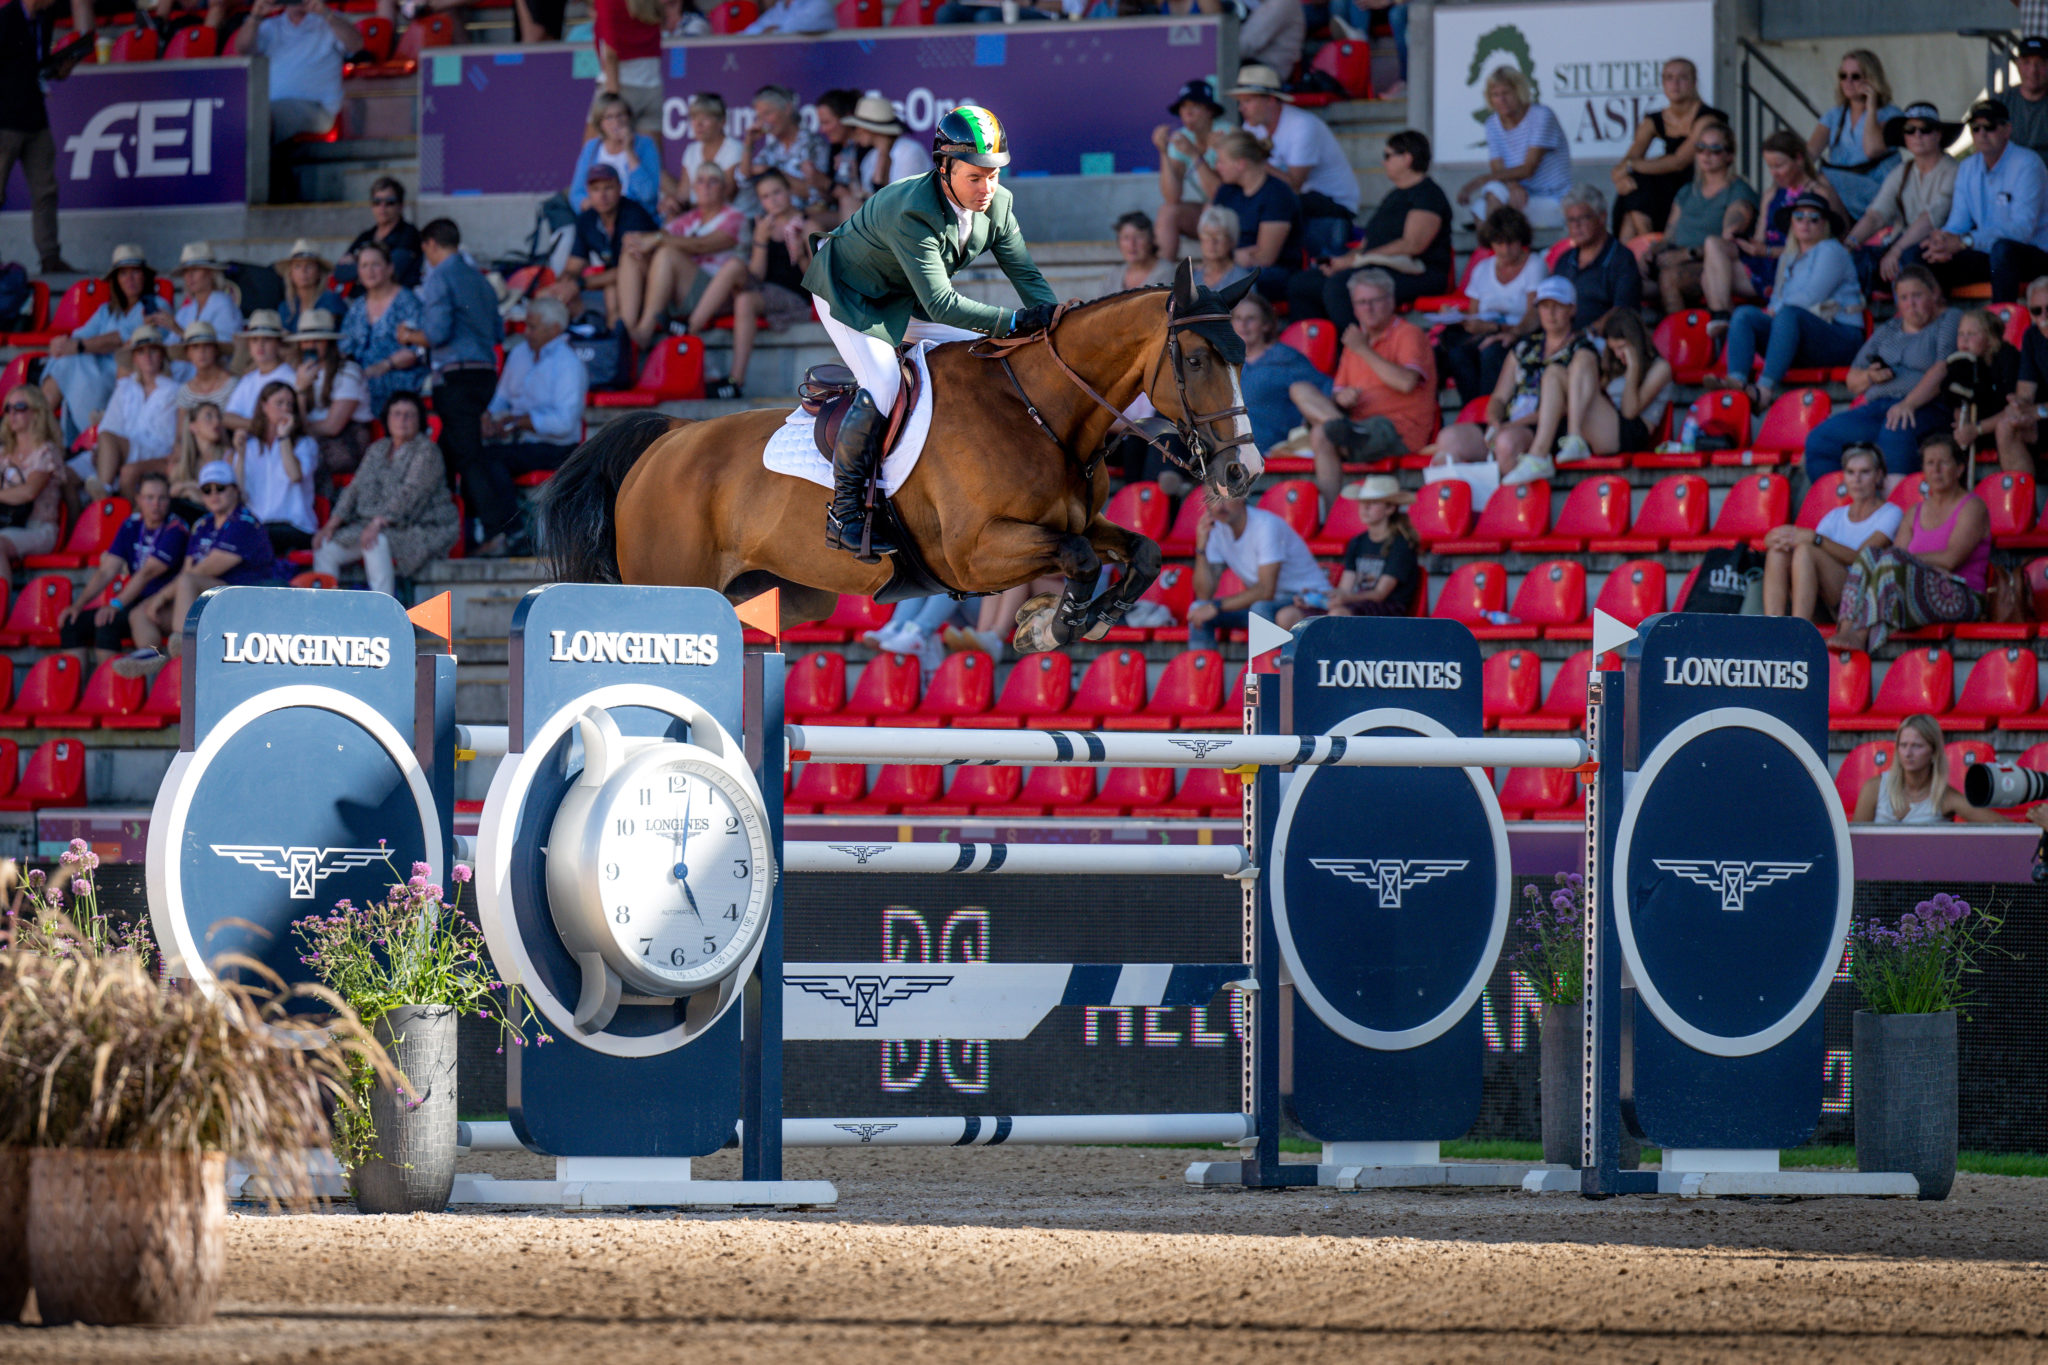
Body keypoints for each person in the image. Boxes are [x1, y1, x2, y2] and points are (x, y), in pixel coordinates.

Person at [803, 105, 1058, 559]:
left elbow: (1027, 276)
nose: (987, 189)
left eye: (994, 175)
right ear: (944, 168)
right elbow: (942, 303)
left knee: (977, 353)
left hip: (904, 296)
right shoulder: (912, 210)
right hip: (852, 294)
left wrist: (1056, 320)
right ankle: (846, 515)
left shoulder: (998, 204)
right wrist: (1015, 321)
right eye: (975, 177)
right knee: (882, 382)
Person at [1290, 269, 1436, 509]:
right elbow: (1338, 392)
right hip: (1357, 423)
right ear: (1354, 307)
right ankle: (1342, 429)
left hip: (1396, 428)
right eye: (1361, 303)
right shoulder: (1355, 343)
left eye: (1375, 301)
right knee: (1299, 388)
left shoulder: (1408, 334)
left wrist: (1363, 350)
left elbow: (1406, 382)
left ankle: (1333, 506)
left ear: (1391, 301)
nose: (1368, 309)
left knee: (1320, 434)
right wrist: (1341, 399)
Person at [117, 461, 276, 677]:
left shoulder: (244, 523)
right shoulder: (202, 525)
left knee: (186, 583)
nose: (213, 494)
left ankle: (182, 643)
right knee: (139, 612)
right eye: (207, 489)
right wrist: (154, 602)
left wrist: (162, 597)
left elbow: (203, 571)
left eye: (220, 488)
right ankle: (151, 654)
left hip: (243, 602)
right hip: (208, 603)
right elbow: (188, 569)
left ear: (235, 491)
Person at [396, 218, 504, 534]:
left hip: (456, 377)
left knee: (468, 455)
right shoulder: (481, 280)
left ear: (430, 244)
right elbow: (498, 332)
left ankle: (499, 530)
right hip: (485, 374)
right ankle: (447, 526)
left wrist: (409, 336)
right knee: (445, 453)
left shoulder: (439, 278)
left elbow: (436, 334)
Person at [1427, 275, 1585, 490]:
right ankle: (1463, 511)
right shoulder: (1523, 347)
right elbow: (1500, 396)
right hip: (1509, 424)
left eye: (1558, 306)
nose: (1550, 313)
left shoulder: (1581, 348)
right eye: (1545, 306)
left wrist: (1508, 427)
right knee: (1448, 438)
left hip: (1548, 429)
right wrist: (1494, 421)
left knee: (1506, 443)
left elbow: (1568, 406)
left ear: (1572, 310)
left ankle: (1508, 510)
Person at [1834, 433, 1988, 651]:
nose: (1936, 470)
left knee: (1890, 559)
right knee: (1870, 555)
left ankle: (1860, 635)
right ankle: (1846, 629)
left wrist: (1911, 562)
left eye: (1943, 463)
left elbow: (1951, 559)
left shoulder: (1972, 507)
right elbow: (1895, 557)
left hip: (1961, 594)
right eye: (1930, 463)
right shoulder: (1915, 511)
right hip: (1916, 587)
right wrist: (1918, 564)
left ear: (1960, 468)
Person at [1803, 266, 1958, 479]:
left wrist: (1908, 404)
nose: (1910, 304)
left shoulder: (1948, 319)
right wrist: (1870, 377)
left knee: (1896, 429)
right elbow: (1852, 379)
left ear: (1934, 293)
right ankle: (1839, 506)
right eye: (1903, 298)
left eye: (1917, 296)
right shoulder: (1889, 329)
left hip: (1926, 406)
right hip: (1878, 408)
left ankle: (1894, 506)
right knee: (1820, 439)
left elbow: (1943, 368)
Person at [1716, 189, 1864, 410]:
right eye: (1799, 217)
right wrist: (1773, 312)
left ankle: (1763, 391)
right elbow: (1776, 300)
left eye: (1814, 218)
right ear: (1792, 223)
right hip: (1801, 335)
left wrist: (1776, 313)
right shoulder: (1789, 257)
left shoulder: (1832, 250)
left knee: (1788, 314)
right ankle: (1736, 385)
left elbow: (1810, 297)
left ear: (1825, 224)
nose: (1805, 223)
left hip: (1840, 336)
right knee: (1744, 315)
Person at [1286, 128, 1451, 317]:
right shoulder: (1394, 196)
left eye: (1387, 156)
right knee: (1302, 284)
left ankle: (1354, 344)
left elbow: (1413, 245)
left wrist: (1359, 260)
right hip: (1377, 266)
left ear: (1407, 158)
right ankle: (1316, 343)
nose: (1383, 162)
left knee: (1341, 286)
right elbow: (1367, 243)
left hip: (1417, 273)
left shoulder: (1428, 194)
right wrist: (1342, 262)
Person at [311, 391, 459, 596]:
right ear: (387, 419)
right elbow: (355, 487)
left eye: (409, 415)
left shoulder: (427, 451)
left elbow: (410, 494)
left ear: (420, 421)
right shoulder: (378, 449)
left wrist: (377, 523)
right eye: (396, 414)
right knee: (326, 548)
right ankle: (327, 616)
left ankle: (384, 615)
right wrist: (331, 525)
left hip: (421, 527)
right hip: (374, 525)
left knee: (375, 541)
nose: (402, 420)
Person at [472, 297, 588, 556]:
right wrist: (489, 417)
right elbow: (502, 397)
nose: (526, 332)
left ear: (554, 329)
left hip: (557, 447)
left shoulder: (569, 364)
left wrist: (520, 422)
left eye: (533, 327)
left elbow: (565, 423)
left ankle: (513, 533)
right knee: (473, 455)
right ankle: (499, 533)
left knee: (491, 461)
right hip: (519, 440)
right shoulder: (521, 354)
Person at [1908, 99, 2048, 304]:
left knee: (2003, 251)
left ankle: (2001, 323)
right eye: (1975, 128)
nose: (1981, 133)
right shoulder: (1967, 167)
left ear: (2007, 130)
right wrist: (1942, 240)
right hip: (1988, 254)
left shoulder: (2028, 164)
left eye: (1989, 127)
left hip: (2033, 255)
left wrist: (1967, 241)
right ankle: (1942, 323)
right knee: (1923, 253)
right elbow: (1957, 223)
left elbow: (2021, 232)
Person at [1702, 130, 1843, 317]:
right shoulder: (1771, 194)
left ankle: (1726, 324)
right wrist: (1746, 242)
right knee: (1713, 246)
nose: (1774, 173)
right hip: (1766, 263)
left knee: (1709, 277)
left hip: (1795, 269)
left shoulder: (1819, 193)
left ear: (1799, 159)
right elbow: (1761, 238)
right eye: (1769, 167)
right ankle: (1725, 320)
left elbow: (1825, 248)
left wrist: (1766, 251)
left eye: (1779, 165)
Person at [58, 471, 187, 669]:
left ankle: (111, 689)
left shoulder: (176, 528)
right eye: (149, 498)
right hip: (134, 601)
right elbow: (106, 571)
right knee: (72, 623)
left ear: (169, 500)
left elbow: (147, 573)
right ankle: (74, 692)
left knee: (108, 622)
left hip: (161, 604)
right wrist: (79, 605)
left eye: (162, 498)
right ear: (139, 499)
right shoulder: (131, 525)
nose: (156, 504)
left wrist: (116, 605)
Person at [1224, 64, 1356, 258]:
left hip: (1333, 203)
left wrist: (1255, 162)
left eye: (1248, 100)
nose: (1241, 108)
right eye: (1240, 102)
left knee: (1269, 201)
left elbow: (1295, 185)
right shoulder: (1251, 127)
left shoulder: (1302, 126)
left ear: (1270, 100)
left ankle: (1259, 259)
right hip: (1295, 200)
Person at [1760, 441, 1899, 621]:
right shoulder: (1835, 516)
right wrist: (1776, 538)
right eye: (1850, 472)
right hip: (1824, 597)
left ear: (1878, 476)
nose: (1856, 479)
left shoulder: (1890, 513)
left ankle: (1798, 632)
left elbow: (1861, 558)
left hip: (1861, 599)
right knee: (1778, 552)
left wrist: (1815, 539)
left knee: (1805, 551)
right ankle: (1772, 629)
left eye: (1865, 472)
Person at [42, 244, 157, 444]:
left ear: (144, 276)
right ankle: (39, 429)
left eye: (135, 272)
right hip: (92, 373)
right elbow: (78, 336)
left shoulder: (155, 306)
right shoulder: (106, 310)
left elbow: (119, 338)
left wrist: (78, 346)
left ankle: (35, 428)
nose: (129, 279)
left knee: (70, 361)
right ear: (116, 281)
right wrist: (60, 345)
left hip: (124, 375)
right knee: (65, 360)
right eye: (123, 274)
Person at [1187, 489, 1327, 652]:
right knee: (1198, 609)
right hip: (1270, 602)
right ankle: (1202, 672)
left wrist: (1216, 607)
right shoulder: (1216, 528)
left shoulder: (1265, 525)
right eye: (1212, 500)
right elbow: (1204, 595)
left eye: (1224, 498)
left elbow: (1265, 591)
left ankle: (1267, 672)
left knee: (1260, 608)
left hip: (1308, 597)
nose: (1219, 507)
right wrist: (1201, 548)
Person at [1436, 204, 1546, 405]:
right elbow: (1474, 314)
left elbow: (1535, 315)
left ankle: (1489, 412)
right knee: (1457, 354)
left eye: (1511, 242)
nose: (1505, 249)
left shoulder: (1534, 265)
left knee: (1492, 353)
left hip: (1521, 334)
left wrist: (1500, 330)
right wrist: (1457, 316)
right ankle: (1472, 409)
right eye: (1499, 243)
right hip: (1484, 333)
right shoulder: (1482, 268)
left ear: (1521, 240)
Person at [720, 168, 816, 400]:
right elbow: (758, 276)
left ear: (789, 192)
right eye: (765, 196)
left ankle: (736, 380)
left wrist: (800, 252)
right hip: (768, 292)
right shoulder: (761, 225)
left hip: (798, 298)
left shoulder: (807, 224)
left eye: (777, 192)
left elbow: (816, 279)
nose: (772, 200)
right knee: (738, 283)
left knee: (744, 300)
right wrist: (760, 241)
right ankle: (691, 329)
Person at [1275, 475, 1418, 629]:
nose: (1365, 508)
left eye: (1373, 503)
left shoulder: (1400, 545)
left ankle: (1328, 652)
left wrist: (1345, 598)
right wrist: (1316, 597)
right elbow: (1345, 588)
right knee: (1287, 615)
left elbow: (1379, 594)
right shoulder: (1357, 542)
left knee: (1336, 615)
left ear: (1390, 508)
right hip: (1353, 604)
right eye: (1363, 502)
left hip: (1387, 610)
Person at [1844, 103, 1961, 288]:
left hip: (1936, 251)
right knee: (1852, 262)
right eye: (1910, 129)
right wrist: (1849, 244)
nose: (1917, 135)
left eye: (1926, 129)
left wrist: (1896, 250)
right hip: (1903, 248)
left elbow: (1931, 219)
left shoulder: (1953, 170)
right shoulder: (1902, 171)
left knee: (1906, 261)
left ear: (1939, 134)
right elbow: (1875, 216)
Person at [624, 162, 741, 347]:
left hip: (715, 295)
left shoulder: (735, 216)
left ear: (725, 188)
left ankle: (644, 331)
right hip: (684, 290)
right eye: (701, 181)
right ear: (694, 187)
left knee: (667, 254)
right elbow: (663, 235)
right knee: (632, 252)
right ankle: (627, 328)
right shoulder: (691, 217)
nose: (706, 187)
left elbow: (701, 245)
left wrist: (655, 240)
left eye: (713, 181)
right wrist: (637, 240)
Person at [1611, 57, 1728, 241]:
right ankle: (1642, 249)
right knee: (1632, 189)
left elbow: (1679, 162)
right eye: (1669, 78)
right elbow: (1626, 161)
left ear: (1694, 82)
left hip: (1694, 182)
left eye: (1682, 78)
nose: (1675, 84)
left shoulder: (1707, 118)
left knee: (1637, 183)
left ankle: (1647, 248)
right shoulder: (1654, 120)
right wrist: (1622, 177)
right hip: (1663, 187)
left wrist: (1631, 167)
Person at [1647, 123, 1760, 313]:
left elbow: (1729, 240)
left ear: (1729, 156)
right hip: (1675, 258)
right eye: (1701, 148)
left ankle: (1683, 340)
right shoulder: (1686, 192)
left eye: (1715, 149)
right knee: (1627, 278)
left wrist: (1686, 255)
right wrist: (1651, 252)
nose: (1706, 155)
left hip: (1713, 264)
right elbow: (1669, 237)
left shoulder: (1738, 190)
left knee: (1670, 278)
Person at [1, 0, 76, 276]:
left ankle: (50, 258)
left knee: (46, 191)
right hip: (5, 122)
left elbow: (36, 64)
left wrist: (58, 70)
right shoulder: (7, 18)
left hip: (35, 119)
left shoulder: (44, 17)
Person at [1457, 63, 1571, 229]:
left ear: (1519, 92)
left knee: (1491, 201)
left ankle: (1499, 246)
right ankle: (1495, 249)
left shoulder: (1541, 116)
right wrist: (1512, 185)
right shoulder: (1492, 124)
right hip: (1517, 194)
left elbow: (1528, 169)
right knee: (1485, 203)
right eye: (1495, 95)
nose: (1501, 100)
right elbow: (1498, 167)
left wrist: (1480, 180)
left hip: (1550, 198)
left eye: (1506, 93)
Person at [1555, 307, 1673, 463]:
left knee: (1584, 357)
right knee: (1554, 373)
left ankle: (1573, 439)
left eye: (1622, 347)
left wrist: (1633, 369)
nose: (1618, 355)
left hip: (1631, 434)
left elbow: (1629, 412)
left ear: (1635, 342)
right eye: (1613, 349)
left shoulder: (1661, 368)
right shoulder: (1616, 364)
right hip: (1607, 424)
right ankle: (1542, 452)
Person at [553, 162, 661, 330]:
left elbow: (627, 270)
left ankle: (619, 339)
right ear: (588, 193)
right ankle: (579, 337)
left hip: (652, 284)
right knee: (549, 296)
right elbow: (573, 266)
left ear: (620, 188)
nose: (602, 196)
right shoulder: (587, 219)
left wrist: (580, 283)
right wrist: (567, 282)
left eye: (608, 188)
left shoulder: (633, 214)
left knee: (611, 290)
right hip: (617, 283)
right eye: (596, 190)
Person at [1853, 714, 2004, 824]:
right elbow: (1854, 845)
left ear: (1934, 752)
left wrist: (2027, 824)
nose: (1908, 753)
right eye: (1903, 745)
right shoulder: (1874, 788)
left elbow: (1999, 824)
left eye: (1917, 746)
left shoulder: (1945, 797)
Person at [236, 0, 352, 141]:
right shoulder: (270, 26)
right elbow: (242, 49)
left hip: (317, 108)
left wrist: (326, 14)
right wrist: (255, 16)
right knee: (243, 116)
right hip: (272, 107)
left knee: (259, 116)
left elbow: (356, 45)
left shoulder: (333, 21)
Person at [1210, 131, 1302, 301]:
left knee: (1231, 281)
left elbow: (1265, 257)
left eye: (1221, 161)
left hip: (1273, 272)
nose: (1217, 167)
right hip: (1231, 262)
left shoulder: (1277, 194)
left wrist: (1225, 255)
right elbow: (1209, 233)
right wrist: (1231, 255)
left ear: (1240, 164)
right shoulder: (1226, 190)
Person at [90, 324, 179, 499]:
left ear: (162, 355)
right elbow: (110, 423)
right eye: (140, 352)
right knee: (70, 473)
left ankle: (104, 492)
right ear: (134, 359)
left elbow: (166, 439)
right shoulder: (125, 387)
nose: (147, 357)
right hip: (122, 448)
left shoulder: (174, 390)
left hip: (155, 452)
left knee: (108, 441)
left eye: (152, 351)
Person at [1235, 290, 1328, 455]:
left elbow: (1326, 389)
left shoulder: (1286, 358)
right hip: (1229, 455)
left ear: (1266, 324)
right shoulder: (1222, 363)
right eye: (1238, 319)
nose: (1243, 325)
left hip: (1273, 451)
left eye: (1251, 319)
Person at [1811, 49, 1902, 218]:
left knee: (1822, 182)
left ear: (1871, 79)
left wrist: (1871, 108)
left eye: (1855, 76)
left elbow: (1872, 150)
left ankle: (1844, 235)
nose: (1848, 81)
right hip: (1838, 186)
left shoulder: (1891, 114)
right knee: (1809, 184)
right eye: (1843, 76)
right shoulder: (1834, 115)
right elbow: (1809, 153)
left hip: (1877, 188)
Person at [339, 243, 425, 421]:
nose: (369, 271)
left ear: (389, 269)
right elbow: (345, 348)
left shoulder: (407, 301)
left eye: (375, 265)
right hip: (362, 382)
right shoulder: (357, 307)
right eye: (364, 265)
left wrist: (385, 365)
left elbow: (417, 350)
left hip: (399, 379)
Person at [1152, 79, 1235, 260]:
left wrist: (1194, 155)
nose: (1187, 113)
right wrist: (1164, 152)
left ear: (1210, 110)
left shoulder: (1227, 133)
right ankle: (1162, 280)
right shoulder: (1183, 137)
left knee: (1211, 207)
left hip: (1238, 211)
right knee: (1168, 212)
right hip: (1210, 212)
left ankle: (1210, 276)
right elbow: (1172, 197)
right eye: (1183, 107)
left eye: (1195, 106)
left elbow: (1220, 194)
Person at [234, 380, 318, 554]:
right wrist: (240, 456)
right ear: (264, 406)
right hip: (260, 526)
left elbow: (295, 475)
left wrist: (284, 438)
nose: (286, 409)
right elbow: (238, 496)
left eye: (290, 404)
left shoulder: (305, 444)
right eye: (279, 403)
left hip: (296, 526)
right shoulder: (250, 447)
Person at [289, 308, 368, 488]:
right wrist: (301, 389)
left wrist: (297, 430)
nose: (310, 345)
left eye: (317, 340)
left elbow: (332, 427)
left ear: (329, 342)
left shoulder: (348, 371)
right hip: (311, 440)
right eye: (306, 340)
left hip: (346, 443)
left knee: (303, 456)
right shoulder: (298, 373)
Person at [1551, 185, 1642, 330]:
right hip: (1563, 340)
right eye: (1571, 220)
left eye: (1583, 218)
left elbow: (1623, 311)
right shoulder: (1564, 260)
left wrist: (1588, 334)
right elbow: (1549, 305)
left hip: (1602, 343)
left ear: (1602, 217)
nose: (1576, 226)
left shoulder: (1621, 259)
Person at [0, 384, 64, 577]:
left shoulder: (46, 451)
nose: (12, 414)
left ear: (36, 413)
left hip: (38, 529)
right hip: (6, 525)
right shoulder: (4, 454)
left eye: (19, 407)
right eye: (8, 408)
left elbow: (30, 491)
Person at [1945, 307, 2020, 465]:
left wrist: (1976, 429)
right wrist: (1962, 426)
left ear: (1990, 337)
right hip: (1972, 430)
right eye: (1961, 334)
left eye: (1971, 334)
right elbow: (1957, 403)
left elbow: (2014, 408)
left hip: (2001, 427)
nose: (1964, 340)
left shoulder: (2007, 357)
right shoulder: (1960, 363)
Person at [739, 85, 829, 214]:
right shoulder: (771, 149)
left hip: (807, 220)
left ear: (787, 109)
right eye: (759, 117)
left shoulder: (814, 145)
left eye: (768, 114)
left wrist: (773, 173)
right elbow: (744, 180)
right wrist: (749, 144)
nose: (764, 122)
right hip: (775, 223)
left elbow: (819, 194)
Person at [572, 93, 663, 218]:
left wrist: (629, 151)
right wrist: (598, 208)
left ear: (629, 118)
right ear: (600, 123)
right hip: (599, 216)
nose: (616, 122)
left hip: (635, 217)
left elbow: (648, 195)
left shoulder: (645, 144)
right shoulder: (592, 148)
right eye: (609, 117)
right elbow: (576, 194)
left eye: (620, 115)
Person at [587, 0, 663, 142]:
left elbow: (610, 54)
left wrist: (612, 99)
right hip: (652, 85)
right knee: (650, 161)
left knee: (594, 158)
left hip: (620, 85)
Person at [1995, 274, 2048, 475]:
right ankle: (2023, 504)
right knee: (2007, 426)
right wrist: (2019, 407)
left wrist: (2037, 412)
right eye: (2036, 311)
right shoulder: (2032, 335)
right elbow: (2026, 390)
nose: (2044, 316)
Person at [339, 177, 422, 289]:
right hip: (361, 299)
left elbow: (391, 272)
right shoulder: (366, 236)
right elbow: (339, 272)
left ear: (400, 206)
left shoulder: (409, 234)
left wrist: (356, 261)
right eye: (377, 202)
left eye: (390, 202)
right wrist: (374, 267)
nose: (382, 207)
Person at [155, 241, 243, 345]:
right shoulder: (185, 312)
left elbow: (224, 346)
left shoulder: (224, 305)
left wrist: (179, 330)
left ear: (211, 273)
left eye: (195, 269)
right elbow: (170, 345)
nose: (189, 276)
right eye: (186, 271)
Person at [846, 96, 933, 199]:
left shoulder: (909, 151)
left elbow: (903, 199)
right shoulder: (871, 157)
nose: (856, 132)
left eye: (857, 127)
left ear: (870, 129)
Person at [674, 93, 742, 214]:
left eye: (705, 118)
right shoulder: (691, 149)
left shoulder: (735, 148)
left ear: (722, 122)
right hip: (698, 216)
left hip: (728, 218)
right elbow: (683, 194)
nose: (698, 124)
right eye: (694, 118)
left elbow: (725, 196)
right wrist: (673, 204)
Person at [172, 327, 235, 449]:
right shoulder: (185, 391)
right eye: (195, 347)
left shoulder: (232, 384)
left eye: (207, 346)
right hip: (194, 452)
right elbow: (180, 436)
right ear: (188, 354)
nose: (201, 352)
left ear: (215, 351)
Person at [168, 399, 231, 522]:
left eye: (218, 417)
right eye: (209, 416)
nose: (216, 421)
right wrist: (191, 488)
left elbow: (231, 500)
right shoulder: (183, 466)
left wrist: (194, 493)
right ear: (193, 426)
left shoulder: (229, 456)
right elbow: (171, 492)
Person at [272, 238, 346, 335]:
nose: (303, 271)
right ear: (291, 274)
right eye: (297, 266)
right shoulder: (285, 308)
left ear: (319, 272)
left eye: (309, 266)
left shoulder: (331, 301)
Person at [1096, 211, 1176, 297]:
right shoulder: (1113, 276)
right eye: (1126, 238)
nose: (1132, 244)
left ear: (1151, 240)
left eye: (1139, 237)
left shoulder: (1166, 273)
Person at [1192, 206, 1254, 293]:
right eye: (1206, 235)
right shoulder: (1192, 276)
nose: (1212, 242)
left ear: (1232, 240)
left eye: (1219, 235)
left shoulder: (1242, 280)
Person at [2009, 35, 2048, 158]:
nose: (2033, 70)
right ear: (2018, 64)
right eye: (2027, 63)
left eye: (2040, 63)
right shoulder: (2002, 102)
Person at [745, 0, 834, 28]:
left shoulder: (819, 4)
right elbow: (749, 34)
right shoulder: (779, 9)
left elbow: (792, 32)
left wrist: (773, 31)